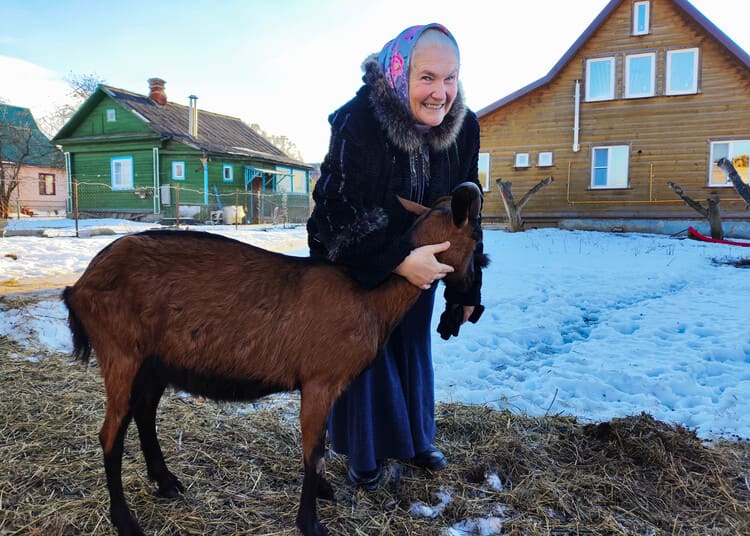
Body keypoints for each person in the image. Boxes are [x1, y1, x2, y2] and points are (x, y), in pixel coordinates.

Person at [306, 23, 484, 489]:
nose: (440, 93)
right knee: (368, 352)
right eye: (427, 77)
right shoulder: (359, 120)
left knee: (411, 345)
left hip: (424, 259)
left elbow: (465, 216)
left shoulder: (465, 128)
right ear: (400, 72)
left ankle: (414, 438)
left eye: (450, 78)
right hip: (356, 259)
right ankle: (364, 452)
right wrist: (399, 261)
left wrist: (465, 290)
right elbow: (335, 215)